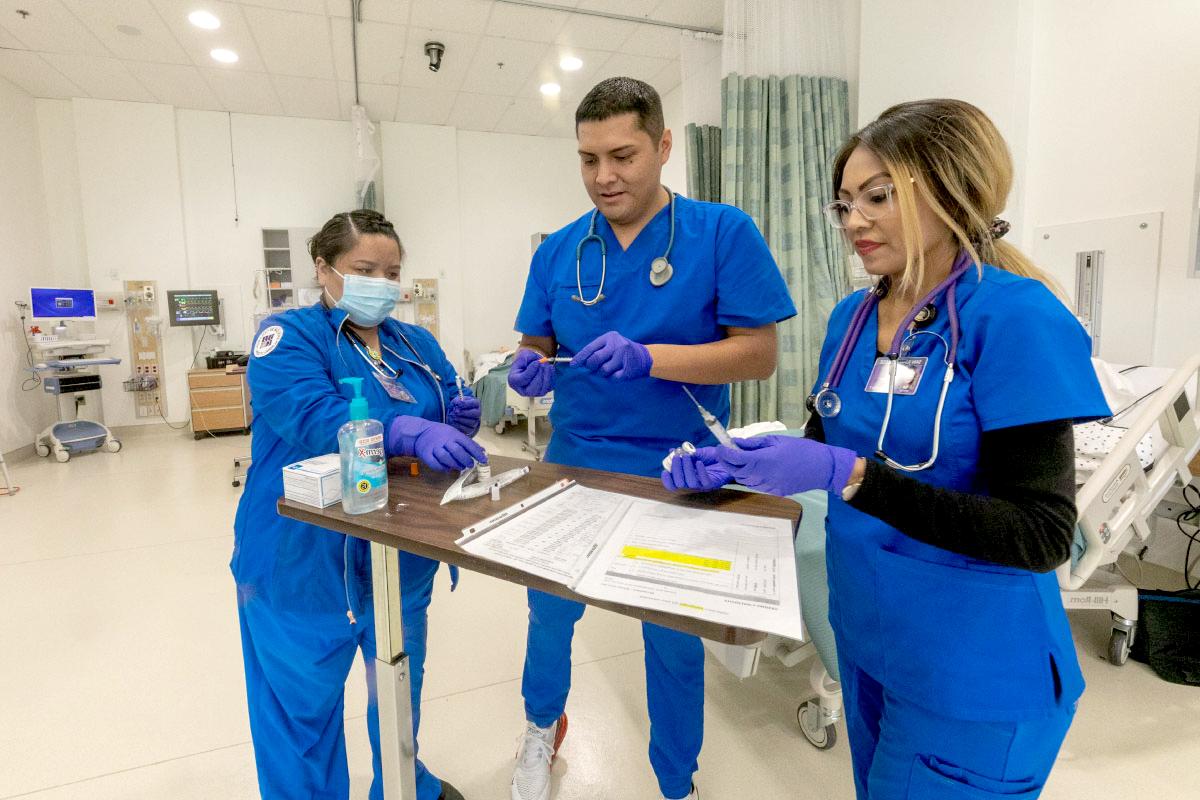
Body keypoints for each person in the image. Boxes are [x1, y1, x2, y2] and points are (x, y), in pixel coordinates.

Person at [663, 98, 1111, 799]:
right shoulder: (852, 318)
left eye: (878, 197)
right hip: (868, 644)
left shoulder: (1015, 317)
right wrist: (738, 468)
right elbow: (824, 444)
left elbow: (1043, 533)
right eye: (843, 204)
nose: (854, 221)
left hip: (974, 671)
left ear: (952, 188)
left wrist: (851, 476)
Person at [507, 77, 797, 800]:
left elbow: (758, 353)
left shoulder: (722, 232)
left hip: (677, 463)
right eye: (587, 159)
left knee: (671, 632)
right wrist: (528, 369)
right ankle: (542, 726)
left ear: (664, 147)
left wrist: (651, 358)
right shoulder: (559, 252)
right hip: (574, 456)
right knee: (549, 609)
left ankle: (676, 781)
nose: (603, 176)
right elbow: (534, 344)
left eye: (622, 155)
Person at [232, 209, 486, 800]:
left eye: (391, 271)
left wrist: (454, 414)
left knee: (396, 691)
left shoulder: (413, 341)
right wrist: (407, 431)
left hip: (400, 558)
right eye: (363, 269)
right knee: (300, 716)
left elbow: (448, 391)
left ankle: (403, 784)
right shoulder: (288, 336)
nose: (381, 283)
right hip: (302, 560)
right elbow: (312, 415)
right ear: (323, 269)